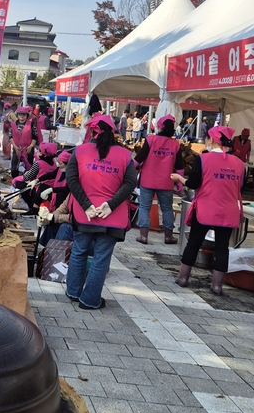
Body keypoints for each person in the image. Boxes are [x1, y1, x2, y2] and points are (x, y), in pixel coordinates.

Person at [65, 114, 137, 309]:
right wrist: (110, 205)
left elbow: (71, 180)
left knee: (79, 251)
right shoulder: (125, 155)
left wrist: (86, 205)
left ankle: (73, 291)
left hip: (84, 213)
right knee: (101, 258)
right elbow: (131, 183)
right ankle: (89, 300)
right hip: (112, 217)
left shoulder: (79, 152)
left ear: (93, 131)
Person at [171, 126, 245, 295]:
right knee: (222, 248)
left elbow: (193, 184)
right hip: (228, 212)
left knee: (194, 242)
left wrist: (179, 178)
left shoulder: (203, 159)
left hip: (205, 210)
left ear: (211, 140)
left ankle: (183, 278)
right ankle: (217, 286)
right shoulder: (240, 164)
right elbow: (240, 187)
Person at [134, 114, 183, 244]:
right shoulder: (175, 145)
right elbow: (179, 165)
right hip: (166, 181)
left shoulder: (151, 140)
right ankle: (168, 237)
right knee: (167, 208)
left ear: (160, 127)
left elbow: (139, 158)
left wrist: (129, 170)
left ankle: (143, 236)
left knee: (144, 207)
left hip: (148, 180)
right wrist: (180, 183)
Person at [10, 105, 37, 175]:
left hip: (28, 148)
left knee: (29, 168)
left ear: (27, 115)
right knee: (14, 169)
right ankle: (15, 181)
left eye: (23, 114)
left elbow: (35, 137)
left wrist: (31, 146)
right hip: (17, 148)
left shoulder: (32, 124)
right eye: (20, 114)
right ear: (17, 115)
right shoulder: (13, 124)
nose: (21, 116)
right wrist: (14, 146)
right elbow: (10, 136)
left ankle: (26, 181)